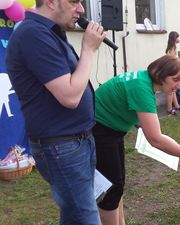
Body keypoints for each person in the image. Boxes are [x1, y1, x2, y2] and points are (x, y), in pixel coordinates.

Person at [5, 0, 106, 224]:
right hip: (61, 145)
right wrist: (88, 49)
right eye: (74, 2)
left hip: (77, 141)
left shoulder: (50, 32)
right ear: (51, 2)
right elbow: (70, 96)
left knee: (74, 214)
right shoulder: (33, 35)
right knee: (86, 217)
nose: (81, 9)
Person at [93, 55, 180, 225]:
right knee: (111, 191)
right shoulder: (141, 88)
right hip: (99, 131)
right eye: (175, 80)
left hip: (111, 131)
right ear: (161, 74)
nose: (178, 86)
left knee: (117, 185)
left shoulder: (144, 80)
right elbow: (156, 139)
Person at [165, 31, 180, 115]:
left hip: (172, 71)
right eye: (177, 37)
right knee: (170, 91)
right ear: (174, 38)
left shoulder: (173, 47)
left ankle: (176, 106)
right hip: (171, 72)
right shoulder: (172, 48)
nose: (179, 39)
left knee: (173, 90)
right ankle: (169, 109)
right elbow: (172, 61)